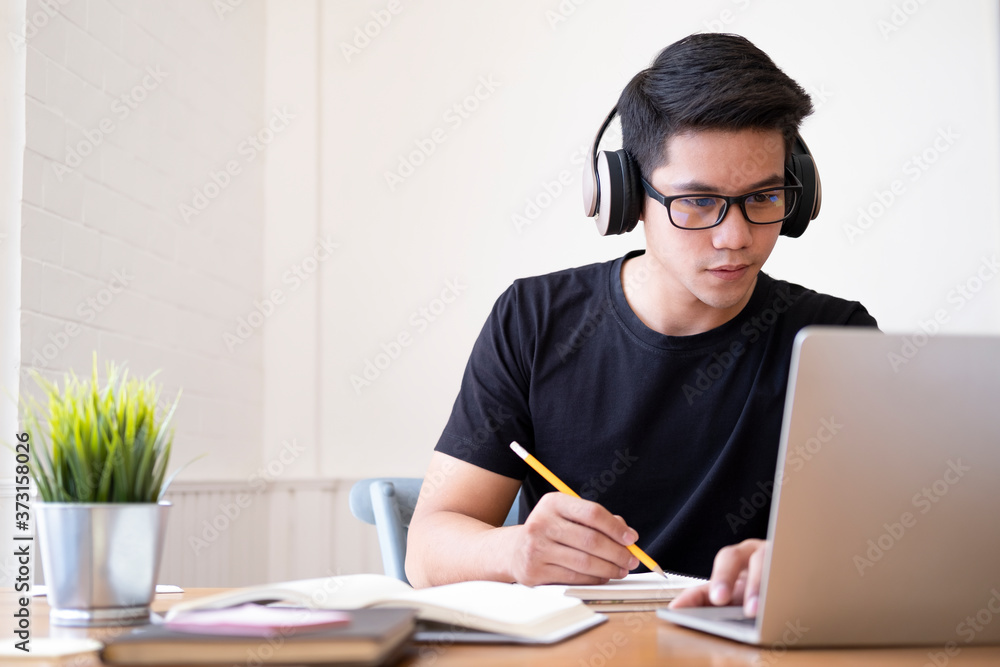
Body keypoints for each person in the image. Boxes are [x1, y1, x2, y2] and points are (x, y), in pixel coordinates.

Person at [405, 33, 878, 615]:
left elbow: (884, 547)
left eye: (764, 196)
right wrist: (513, 550)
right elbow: (426, 550)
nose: (735, 236)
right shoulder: (534, 319)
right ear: (627, 197)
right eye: (698, 202)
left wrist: (806, 565)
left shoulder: (835, 338)